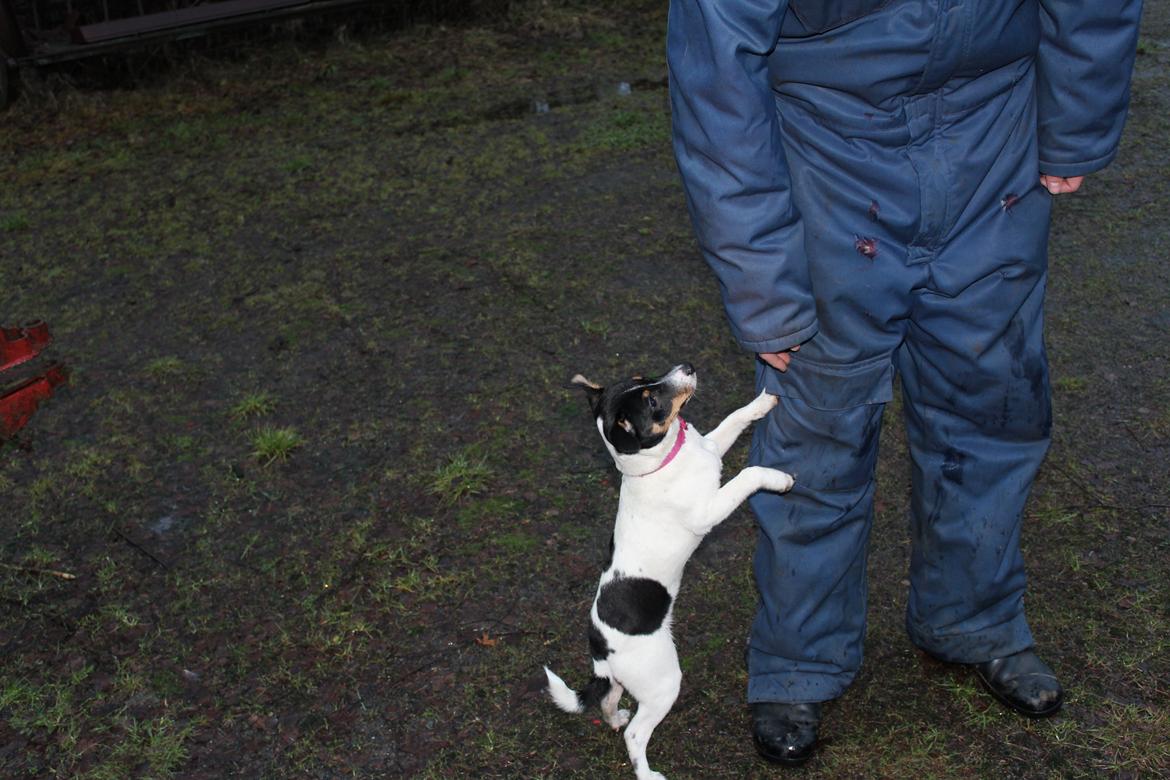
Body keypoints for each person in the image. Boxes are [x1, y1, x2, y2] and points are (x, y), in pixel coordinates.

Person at [667, 0, 1143, 766]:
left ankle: (975, 619)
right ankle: (800, 659)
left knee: (993, 400)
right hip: (827, 143)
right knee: (818, 429)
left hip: (995, 128)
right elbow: (716, 76)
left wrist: (1077, 116)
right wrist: (765, 286)